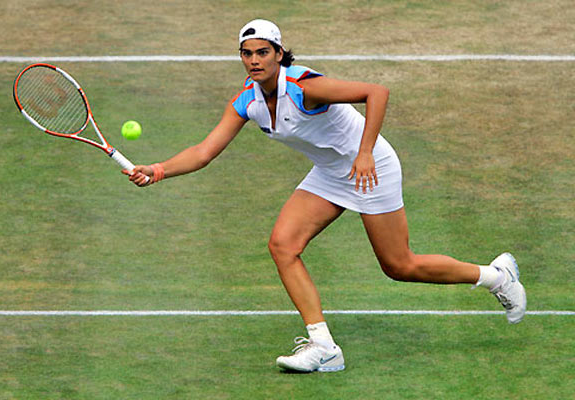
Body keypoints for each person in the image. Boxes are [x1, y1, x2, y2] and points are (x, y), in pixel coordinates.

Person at [124, 19, 526, 373]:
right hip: (332, 173)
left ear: (279, 54)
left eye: (263, 52)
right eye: (246, 54)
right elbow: (204, 151)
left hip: (372, 168)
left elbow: (376, 92)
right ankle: (324, 347)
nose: (254, 60)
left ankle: (495, 277)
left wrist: (366, 151)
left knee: (399, 265)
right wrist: (158, 170)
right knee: (283, 246)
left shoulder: (304, 86)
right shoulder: (247, 100)